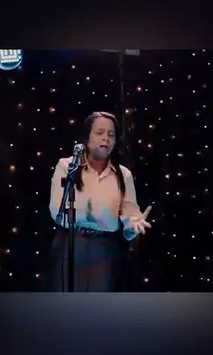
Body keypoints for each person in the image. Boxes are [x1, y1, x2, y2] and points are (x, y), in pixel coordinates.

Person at [48, 111, 152, 292]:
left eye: (111, 135)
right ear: (87, 137)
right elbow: (56, 209)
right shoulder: (67, 166)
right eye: (99, 133)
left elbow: (129, 211)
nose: (106, 138)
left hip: (104, 248)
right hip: (71, 243)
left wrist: (134, 223)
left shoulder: (123, 174)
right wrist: (87, 213)